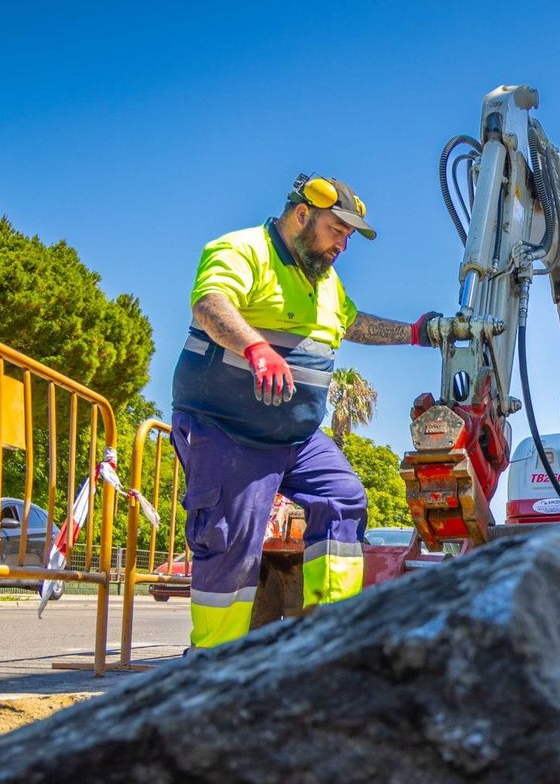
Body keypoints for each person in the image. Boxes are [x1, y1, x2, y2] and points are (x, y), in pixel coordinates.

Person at [170, 174, 442, 649]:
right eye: (337, 230)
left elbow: (353, 323)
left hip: (295, 437)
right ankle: (211, 663)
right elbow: (210, 304)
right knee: (232, 541)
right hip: (229, 430)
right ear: (302, 214)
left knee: (343, 498)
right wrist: (255, 347)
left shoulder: (326, 283)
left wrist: (416, 333)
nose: (343, 244)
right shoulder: (244, 249)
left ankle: (327, 639)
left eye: (349, 237)